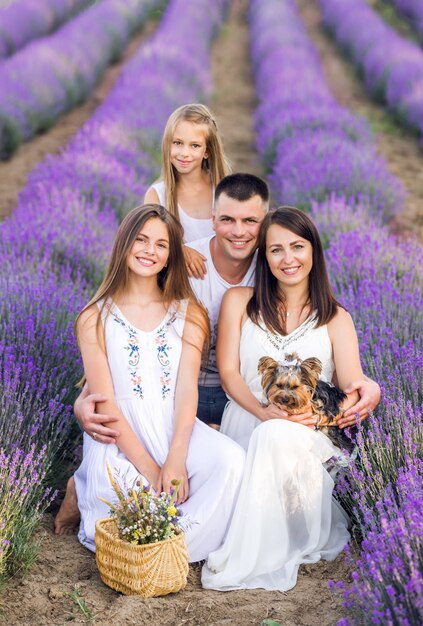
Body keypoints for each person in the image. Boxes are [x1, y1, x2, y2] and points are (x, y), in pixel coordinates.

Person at [55, 175, 380, 533]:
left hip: (210, 404)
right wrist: (86, 398)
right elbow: (128, 329)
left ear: (264, 226)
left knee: (229, 482)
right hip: (209, 399)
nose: (238, 231)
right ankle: (89, 482)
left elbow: (353, 383)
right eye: (227, 220)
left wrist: (364, 391)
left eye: (250, 222)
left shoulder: (274, 261)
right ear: (212, 219)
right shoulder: (182, 262)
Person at [201, 206, 376, 591]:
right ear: (264, 256)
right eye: (275, 249)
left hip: (304, 437)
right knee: (268, 433)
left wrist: (320, 419)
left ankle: (262, 553)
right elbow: (229, 373)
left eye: (297, 246)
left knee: (278, 436)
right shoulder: (239, 302)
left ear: (313, 250)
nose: (288, 258)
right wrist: (264, 412)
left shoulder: (335, 317)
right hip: (247, 420)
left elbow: (351, 388)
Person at [68, 204, 245, 561]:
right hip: (121, 438)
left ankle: (170, 547)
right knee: (126, 498)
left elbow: (185, 391)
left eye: (161, 245)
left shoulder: (188, 313)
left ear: (169, 257)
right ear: (124, 244)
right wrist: (151, 471)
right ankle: (149, 537)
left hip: (174, 426)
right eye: (141, 240)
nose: (150, 251)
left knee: (231, 460)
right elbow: (104, 402)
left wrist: (176, 459)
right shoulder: (94, 317)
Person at [144, 103, 231, 279]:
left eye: (195, 146)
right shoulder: (157, 195)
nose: (184, 153)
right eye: (177, 143)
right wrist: (179, 249)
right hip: (180, 290)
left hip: (225, 283)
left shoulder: (225, 189)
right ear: (167, 145)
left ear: (207, 151)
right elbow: (149, 246)